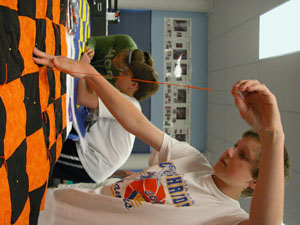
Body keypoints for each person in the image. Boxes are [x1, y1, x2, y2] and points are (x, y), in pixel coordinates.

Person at [33, 48, 290, 225]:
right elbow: (136, 122)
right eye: (236, 145)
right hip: (55, 203)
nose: (230, 152)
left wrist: (273, 134)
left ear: (255, 183)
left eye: (243, 156)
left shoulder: (225, 216)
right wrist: (90, 74)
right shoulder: (194, 160)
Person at [46, 49, 159, 183]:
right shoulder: (126, 99)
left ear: (133, 84)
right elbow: (90, 101)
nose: (120, 73)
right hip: (89, 151)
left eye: (126, 73)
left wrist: (84, 69)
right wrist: (87, 69)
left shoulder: (129, 104)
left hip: (91, 163)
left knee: (45, 150)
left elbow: (82, 98)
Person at [85, 34, 154, 84]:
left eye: (118, 65)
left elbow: (96, 86)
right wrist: (90, 48)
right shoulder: (126, 42)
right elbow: (94, 40)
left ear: (125, 71)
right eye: (118, 56)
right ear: (127, 50)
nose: (114, 61)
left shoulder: (124, 80)